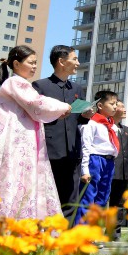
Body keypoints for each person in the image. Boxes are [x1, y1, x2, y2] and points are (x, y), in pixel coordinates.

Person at [0, 45, 71, 219]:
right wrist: (63, 107)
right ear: (16, 64)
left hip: (19, 136)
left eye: (35, 63)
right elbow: (36, 103)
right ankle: (10, 218)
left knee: (15, 174)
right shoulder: (15, 82)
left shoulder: (21, 83)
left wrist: (58, 112)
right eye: (31, 63)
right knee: (12, 174)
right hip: (13, 137)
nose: (34, 67)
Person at [32, 45, 93, 225]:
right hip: (50, 150)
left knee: (70, 197)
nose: (78, 63)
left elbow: (78, 122)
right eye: (74, 59)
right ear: (61, 61)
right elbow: (35, 116)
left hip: (73, 150)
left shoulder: (77, 88)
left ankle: (63, 238)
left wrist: (85, 116)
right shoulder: (40, 86)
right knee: (47, 194)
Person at [75, 90, 120, 226]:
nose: (115, 107)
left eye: (116, 103)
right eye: (112, 104)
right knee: (88, 197)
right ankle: (82, 233)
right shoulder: (91, 123)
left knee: (102, 198)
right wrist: (85, 170)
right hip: (95, 160)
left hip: (109, 161)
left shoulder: (112, 126)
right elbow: (85, 147)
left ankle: (94, 232)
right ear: (100, 105)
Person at [107, 100, 128, 238]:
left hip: (123, 172)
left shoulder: (125, 129)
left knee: (119, 203)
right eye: (121, 106)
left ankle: (114, 233)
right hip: (110, 169)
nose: (124, 109)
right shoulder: (106, 126)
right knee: (105, 201)